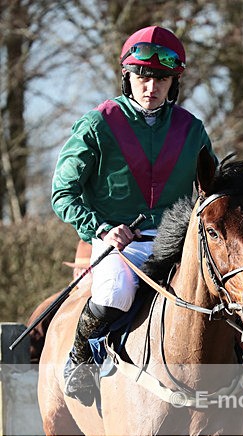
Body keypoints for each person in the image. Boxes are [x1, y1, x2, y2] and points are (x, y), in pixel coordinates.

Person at [51, 25, 215, 405]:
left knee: (217, 293)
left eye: (160, 78)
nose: (150, 86)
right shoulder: (98, 123)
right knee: (115, 294)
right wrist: (102, 229)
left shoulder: (192, 130)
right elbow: (63, 193)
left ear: (173, 82)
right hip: (120, 245)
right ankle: (79, 358)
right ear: (128, 77)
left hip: (175, 244)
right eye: (142, 76)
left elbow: (211, 190)